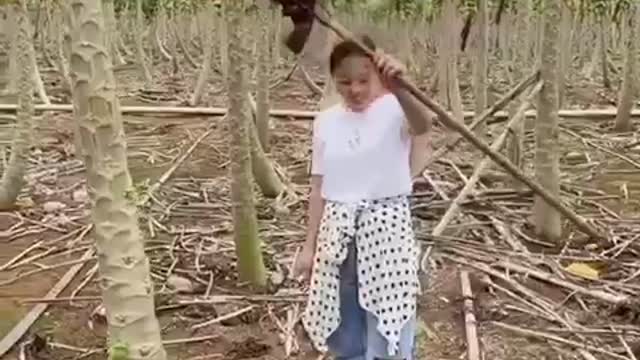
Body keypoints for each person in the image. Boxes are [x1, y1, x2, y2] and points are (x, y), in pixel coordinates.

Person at [293, 34, 434, 360]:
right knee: (346, 333)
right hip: (338, 236)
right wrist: (309, 246)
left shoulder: (396, 108)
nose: (354, 89)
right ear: (332, 81)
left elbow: (424, 124)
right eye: (344, 82)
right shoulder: (326, 121)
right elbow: (318, 187)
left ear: (378, 76)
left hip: (386, 234)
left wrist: (401, 86)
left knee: (391, 327)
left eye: (363, 80)